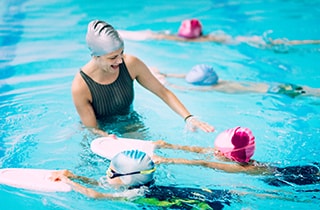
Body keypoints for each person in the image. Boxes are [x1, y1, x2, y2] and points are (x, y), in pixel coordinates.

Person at [51, 149, 256, 210]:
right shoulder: (138, 185)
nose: (106, 174)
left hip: (204, 204)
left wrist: (68, 183)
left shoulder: (133, 194)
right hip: (207, 192)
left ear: (128, 178)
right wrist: (74, 176)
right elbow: (100, 184)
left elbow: (96, 196)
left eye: (111, 172)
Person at [71, 20, 214, 136]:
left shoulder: (131, 64)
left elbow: (163, 92)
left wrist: (189, 118)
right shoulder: (81, 86)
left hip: (130, 122)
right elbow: (93, 129)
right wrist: (109, 139)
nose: (120, 60)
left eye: (122, 53)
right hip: (101, 133)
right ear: (96, 56)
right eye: (113, 57)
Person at [152, 126, 320, 186]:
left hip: (286, 178)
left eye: (219, 151)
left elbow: (205, 164)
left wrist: (168, 160)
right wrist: (170, 146)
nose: (214, 151)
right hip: (280, 170)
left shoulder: (238, 167)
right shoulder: (232, 156)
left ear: (231, 156)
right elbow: (202, 151)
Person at [117, 19, 320, 47]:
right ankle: (307, 42)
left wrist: (119, 32)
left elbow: (149, 35)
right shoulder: (215, 38)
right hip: (236, 42)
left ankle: (309, 43)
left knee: (271, 45)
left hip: (235, 42)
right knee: (271, 44)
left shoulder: (172, 37)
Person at [151, 64, 320, 98]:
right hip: (276, 87)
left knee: (309, 96)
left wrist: (169, 84)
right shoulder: (219, 81)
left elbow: (192, 89)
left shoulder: (213, 89)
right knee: (310, 92)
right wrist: (166, 73)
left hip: (277, 91)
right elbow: (188, 76)